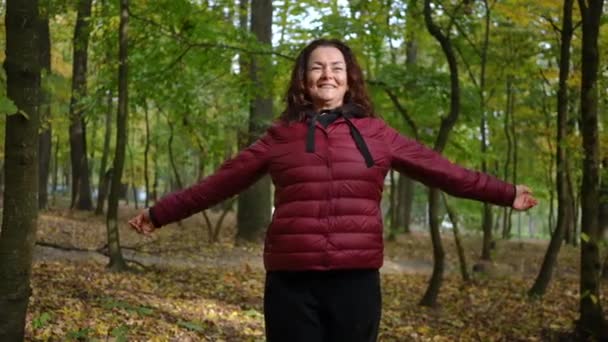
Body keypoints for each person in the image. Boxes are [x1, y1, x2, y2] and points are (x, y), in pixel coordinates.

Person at [129, 38, 538, 342]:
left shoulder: (378, 135)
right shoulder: (279, 137)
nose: (327, 75)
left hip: (356, 283)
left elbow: (445, 171)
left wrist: (505, 192)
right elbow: (217, 185)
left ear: (349, 79)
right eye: (317, 68)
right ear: (303, 80)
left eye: (337, 68)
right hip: (291, 285)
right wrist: (160, 213)